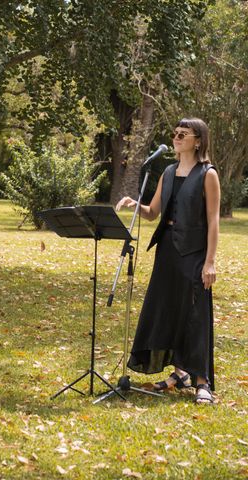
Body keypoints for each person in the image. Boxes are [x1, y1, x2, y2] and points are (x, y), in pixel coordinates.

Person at [116, 117, 220, 404]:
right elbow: (152, 213)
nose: (176, 137)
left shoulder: (207, 174)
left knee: (196, 314)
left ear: (197, 140)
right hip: (167, 252)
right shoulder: (169, 172)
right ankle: (180, 373)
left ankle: (202, 381)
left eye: (183, 134)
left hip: (195, 252)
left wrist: (210, 262)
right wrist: (134, 203)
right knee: (171, 309)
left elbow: (213, 222)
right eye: (175, 133)